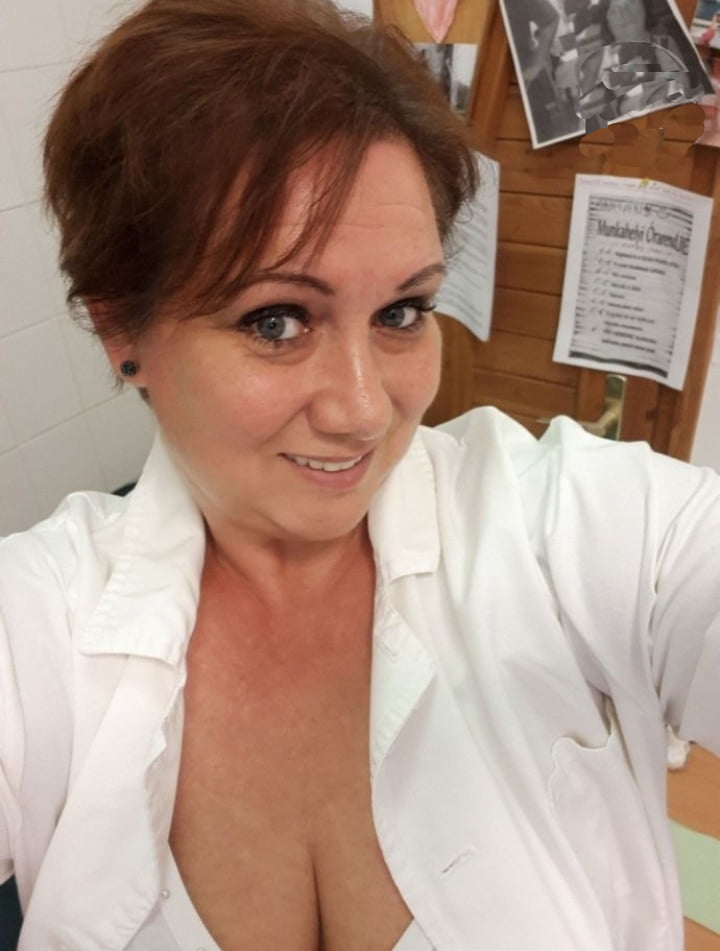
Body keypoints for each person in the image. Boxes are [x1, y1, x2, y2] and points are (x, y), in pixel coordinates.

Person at [0, 0, 718, 949]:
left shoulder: (559, 523)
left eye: (402, 312)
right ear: (120, 330)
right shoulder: (35, 623)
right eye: (276, 321)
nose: (367, 411)